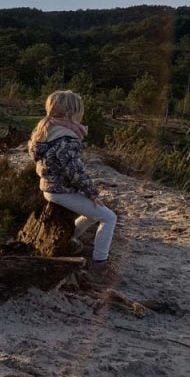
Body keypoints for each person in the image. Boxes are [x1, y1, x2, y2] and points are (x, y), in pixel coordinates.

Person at [28, 90, 117, 280]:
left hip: (51, 188)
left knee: (93, 213)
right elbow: (74, 171)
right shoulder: (66, 138)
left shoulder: (46, 130)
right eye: (79, 113)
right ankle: (99, 263)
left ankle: (67, 239)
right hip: (61, 190)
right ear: (71, 113)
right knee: (109, 217)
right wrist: (91, 192)